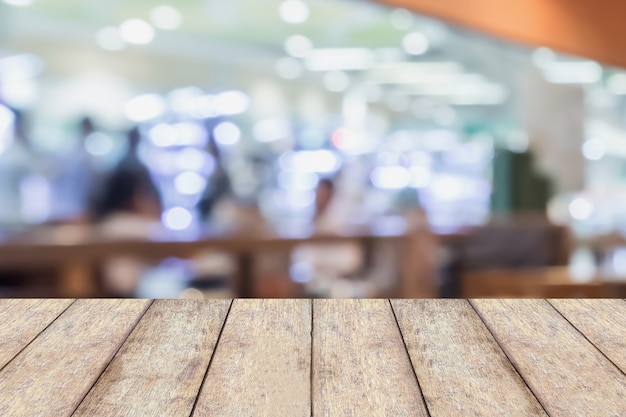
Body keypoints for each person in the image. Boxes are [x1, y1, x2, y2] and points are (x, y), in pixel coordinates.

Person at [93, 127, 163, 296]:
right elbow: (161, 258)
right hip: (138, 292)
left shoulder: (105, 225)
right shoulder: (145, 227)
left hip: (107, 293)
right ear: (136, 195)